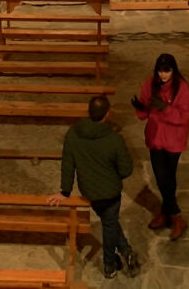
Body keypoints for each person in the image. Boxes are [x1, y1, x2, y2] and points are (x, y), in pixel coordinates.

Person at [48, 96, 139, 280]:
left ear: (88, 111)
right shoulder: (114, 139)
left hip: (89, 190)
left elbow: (68, 164)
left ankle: (126, 250)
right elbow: (126, 170)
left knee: (109, 221)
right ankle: (109, 265)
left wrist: (65, 191)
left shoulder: (73, 134)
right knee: (109, 224)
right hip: (111, 192)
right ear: (108, 114)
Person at [130, 53, 189, 241]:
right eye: (160, 70)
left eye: (167, 71)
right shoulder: (150, 84)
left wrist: (165, 108)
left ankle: (171, 215)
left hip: (173, 140)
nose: (163, 75)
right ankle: (172, 215)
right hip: (156, 137)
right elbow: (144, 114)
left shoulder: (182, 87)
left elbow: (184, 117)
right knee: (162, 178)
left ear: (173, 70)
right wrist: (140, 107)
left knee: (167, 179)